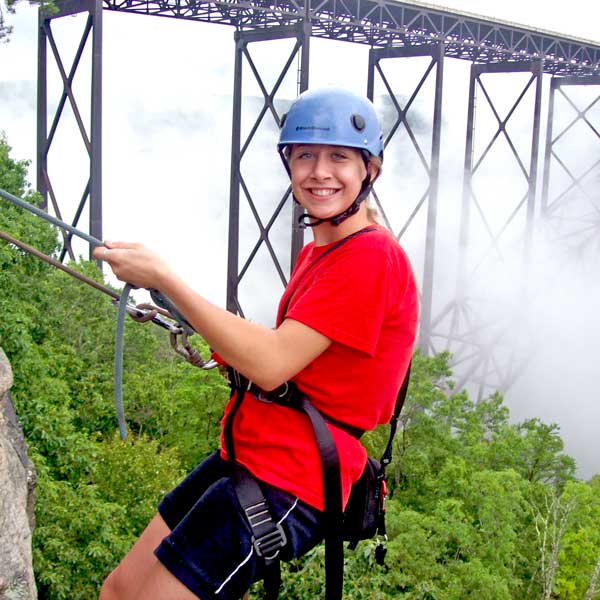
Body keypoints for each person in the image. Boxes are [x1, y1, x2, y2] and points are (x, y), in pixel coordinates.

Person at [94, 87, 419, 600]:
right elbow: (292, 358)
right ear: (288, 163)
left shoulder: (370, 258)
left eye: (339, 157)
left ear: (369, 170)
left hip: (295, 476)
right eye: (305, 155)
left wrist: (166, 279)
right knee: (119, 591)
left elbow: (271, 364)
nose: (320, 172)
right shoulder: (328, 250)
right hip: (250, 451)